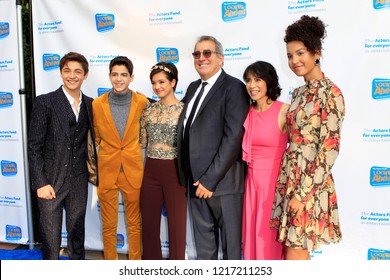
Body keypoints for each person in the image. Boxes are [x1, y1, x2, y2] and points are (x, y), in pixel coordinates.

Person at [270, 15, 346, 260]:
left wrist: (303, 194)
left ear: (316, 53)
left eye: (300, 53)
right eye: (290, 56)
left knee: (296, 247)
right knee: (294, 248)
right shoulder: (299, 93)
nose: (294, 61)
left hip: (309, 184)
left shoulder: (331, 93)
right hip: (291, 177)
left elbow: (329, 149)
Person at [177, 35, 250, 260]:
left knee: (230, 252)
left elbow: (233, 137)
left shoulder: (234, 87)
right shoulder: (192, 88)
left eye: (207, 53)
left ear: (221, 58)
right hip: (194, 183)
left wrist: (210, 180)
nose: (201, 58)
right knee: (204, 250)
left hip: (223, 185)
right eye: (197, 54)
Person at [28, 52, 97, 260]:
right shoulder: (45, 102)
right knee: (50, 240)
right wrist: (40, 182)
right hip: (50, 180)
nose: (72, 76)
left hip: (78, 181)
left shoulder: (91, 104)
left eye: (77, 71)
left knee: (77, 237)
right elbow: (34, 147)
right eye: (67, 71)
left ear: (85, 75)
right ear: (60, 73)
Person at [92, 56, 148, 260]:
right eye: (114, 74)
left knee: (134, 223)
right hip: (107, 171)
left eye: (124, 75)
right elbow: (95, 138)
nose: (119, 79)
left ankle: (135, 264)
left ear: (131, 77)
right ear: (109, 76)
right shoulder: (98, 104)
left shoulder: (142, 102)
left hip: (133, 170)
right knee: (109, 224)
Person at [241, 61, 289, 260]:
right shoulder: (246, 111)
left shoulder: (284, 111)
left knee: (268, 240)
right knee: (251, 237)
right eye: (249, 80)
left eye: (258, 79)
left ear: (269, 82)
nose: (252, 85)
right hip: (250, 185)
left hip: (274, 186)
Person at [140, 62, 187, 260]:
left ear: (173, 82)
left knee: (177, 226)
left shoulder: (185, 110)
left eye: (162, 82)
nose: (157, 86)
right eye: (154, 83)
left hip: (175, 171)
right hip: (150, 169)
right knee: (149, 224)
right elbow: (142, 141)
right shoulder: (148, 110)